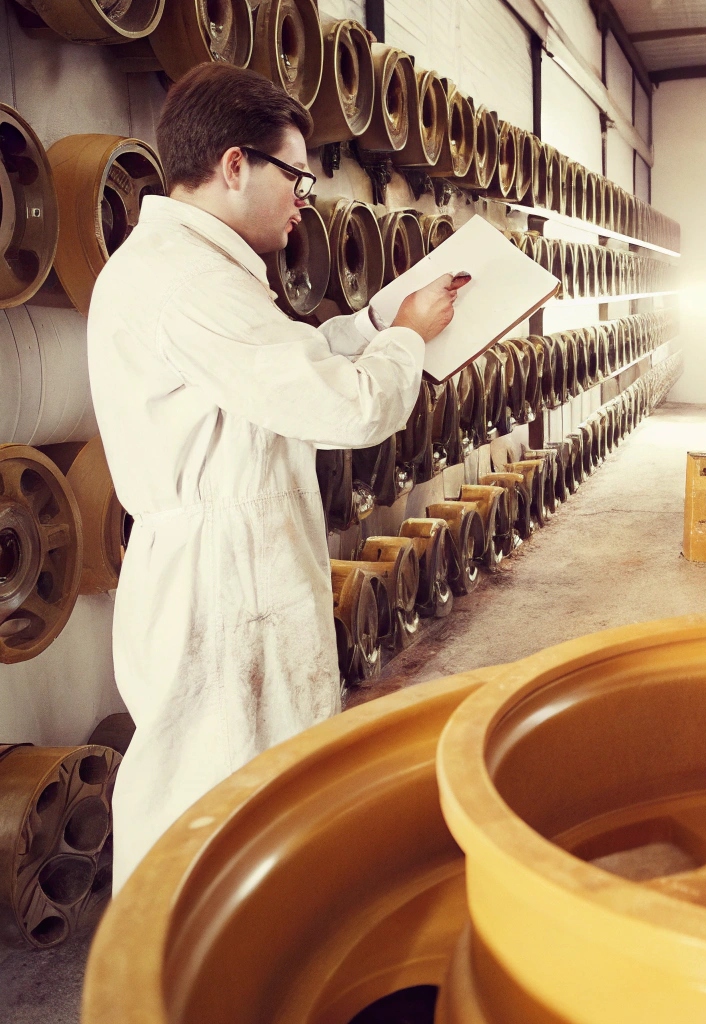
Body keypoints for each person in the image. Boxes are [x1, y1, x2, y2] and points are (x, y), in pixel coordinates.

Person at [88, 64, 467, 891]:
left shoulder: (194, 271)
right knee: (214, 816)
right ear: (234, 166)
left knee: (243, 807)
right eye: (294, 176)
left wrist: (372, 324)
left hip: (225, 562)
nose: (305, 198)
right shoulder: (190, 285)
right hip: (222, 584)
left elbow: (275, 371)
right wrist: (405, 342)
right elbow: (353, 408)